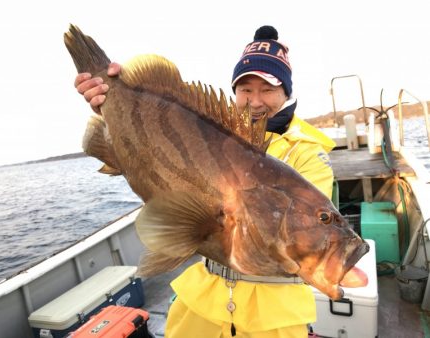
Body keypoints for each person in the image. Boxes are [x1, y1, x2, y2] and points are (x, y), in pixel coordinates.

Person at [74, 25, 335, 338]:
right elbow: (155, 176)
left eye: (267, 89)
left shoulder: (307, 152)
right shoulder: (211, 132)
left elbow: (305, 237)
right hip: (203, 298)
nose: (255, 101)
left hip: (275, 313)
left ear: (285, 92)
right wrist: (111, 108)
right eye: (245, 89)